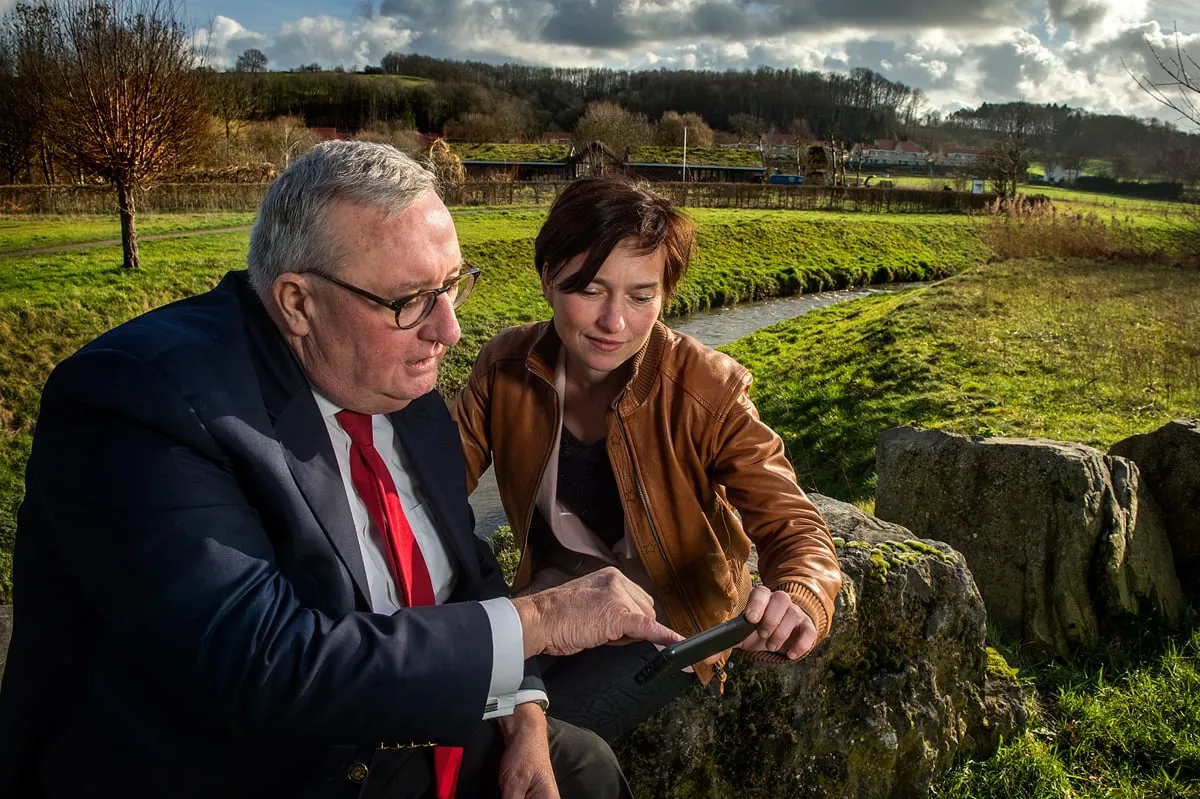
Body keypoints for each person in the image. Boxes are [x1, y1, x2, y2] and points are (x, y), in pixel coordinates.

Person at [0, 142, 685, 799]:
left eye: (452, 286)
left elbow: (464, 569)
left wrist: (527, 716)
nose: (448, 330)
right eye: (410, 300)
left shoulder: (395, 377)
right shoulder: (140, 401)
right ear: (298, 302)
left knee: (582, 768)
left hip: (398, 730)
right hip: (252, 770)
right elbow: (268, 667)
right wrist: (540, 617)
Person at [452, 176, 844, 742]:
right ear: (546, 280)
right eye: (589, 290)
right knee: (447, 712)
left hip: (670, 631)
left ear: (665, 294)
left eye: (641, 297)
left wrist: (801, 595)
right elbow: (429, 494)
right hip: (553, 603)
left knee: (523, 742)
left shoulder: (709, 388)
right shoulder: (503, 366)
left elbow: (795, 527)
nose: (615, 323)